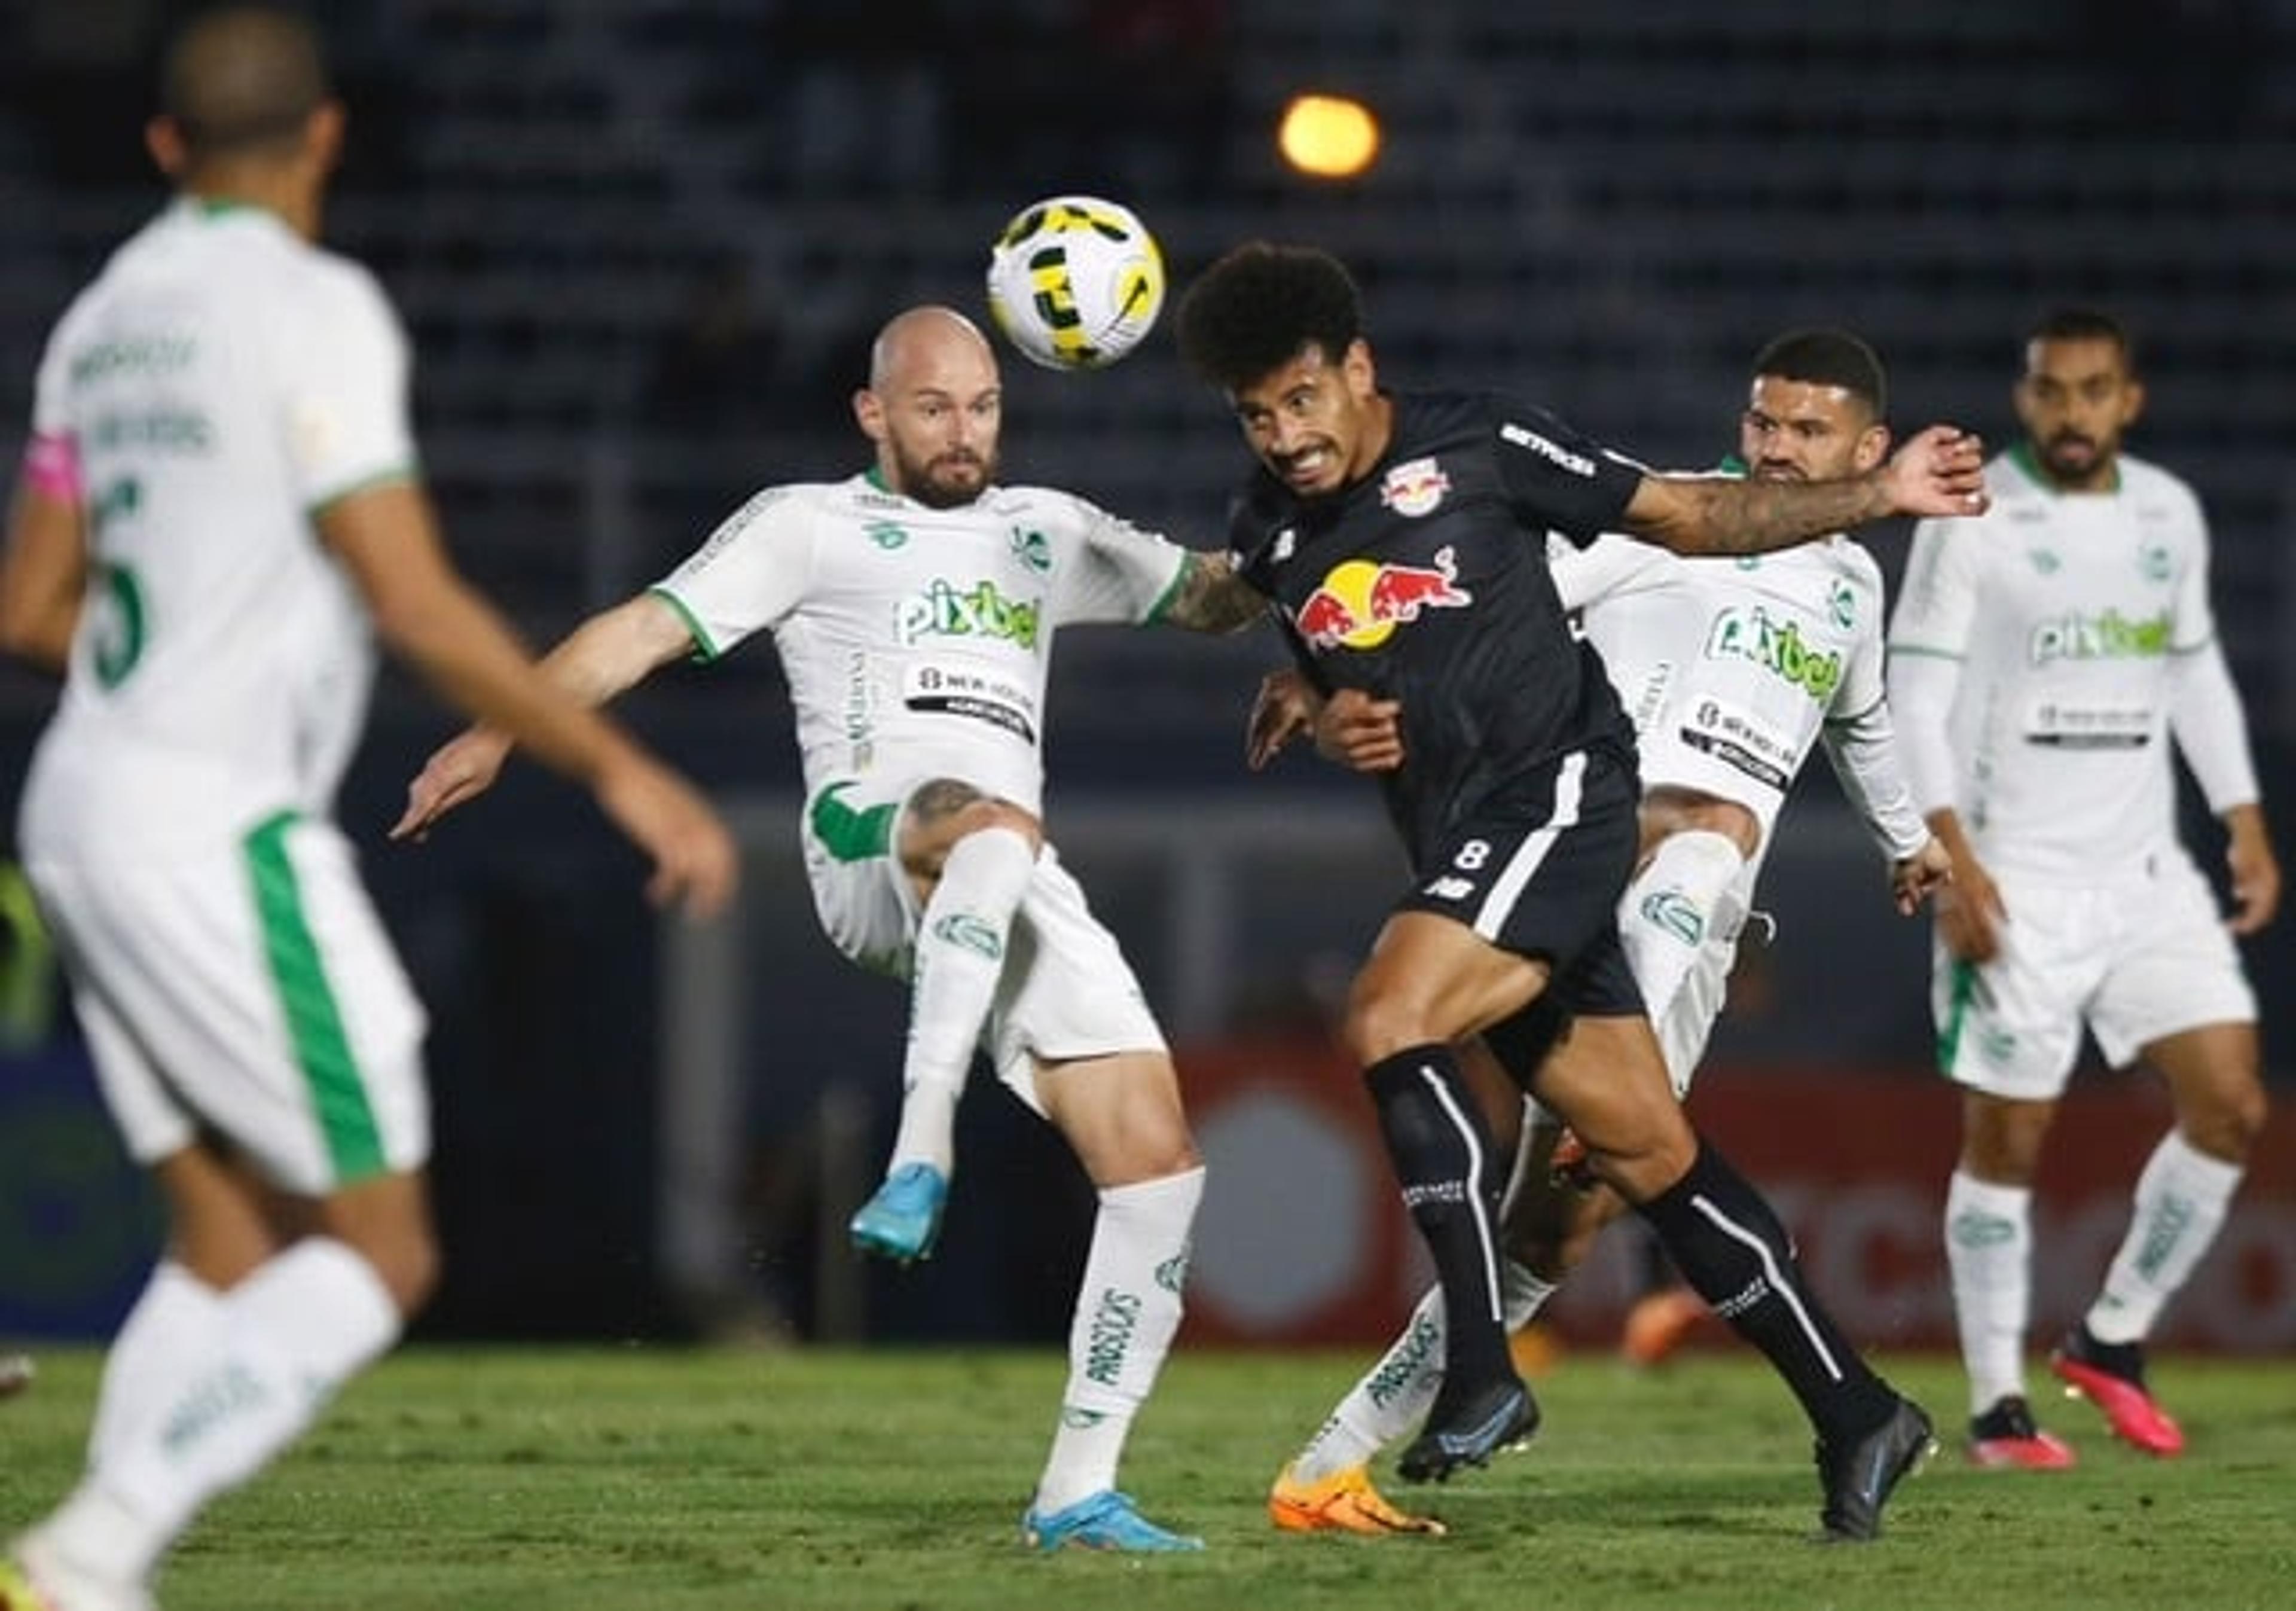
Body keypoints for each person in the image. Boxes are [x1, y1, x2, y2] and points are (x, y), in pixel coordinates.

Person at [0, 11, 739, 1610]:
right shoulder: (311, 306)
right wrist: (621, 767)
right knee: (381, 1246)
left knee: (225, 1240)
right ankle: (91, 1545)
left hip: (75, 799)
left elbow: (29, 606)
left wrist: (189, 616)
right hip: (214, 819)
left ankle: (92, 1573)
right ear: (327, 135)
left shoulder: (104, 318)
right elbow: (410, 595)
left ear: (163, 148)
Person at [392, 304, 1266, 1553]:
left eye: (982, 407)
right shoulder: (808, 524)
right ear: (872, 412)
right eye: (932, 408)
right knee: (989, 826)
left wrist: (1300, 527)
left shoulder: (1047, 531)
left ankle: (1079, 1489)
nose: (963, 434)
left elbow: (1215, 601)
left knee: (1158, 1164)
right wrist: (495, 730)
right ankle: (922, 1151)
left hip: (1008, 872)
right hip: (871, 839)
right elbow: (639, 632)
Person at [1174, 243, 1986, 1540]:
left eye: (1301, 399)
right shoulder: (1274, 528)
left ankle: (1486, 1380)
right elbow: (1439, 618)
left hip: (1575, 812)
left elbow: (1833, 685)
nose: (1284, 433)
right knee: (1636, 1158)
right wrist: (1317, 694)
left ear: (1358, 371)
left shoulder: (1494, 448)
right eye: (1256, 413)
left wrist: (1909, 826)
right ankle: (1859, 1412)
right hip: (1492, 836)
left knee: (1392, 1015)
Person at [1886, 307, 2277, 1470]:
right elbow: (1912, 690)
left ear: (2129, 401)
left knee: (2232, 1104)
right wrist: (1947, 849)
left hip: (2148, 875)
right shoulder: (1972, 517)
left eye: (2094, 392)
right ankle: (2000, 1404)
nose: (2072, 413)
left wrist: (2243, 819)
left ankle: (2112, 1340)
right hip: (2020, 878)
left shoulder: (2169, 514)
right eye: (2052, 392)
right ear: (2027, 400)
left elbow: (2193, 665)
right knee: (2010, 1137)